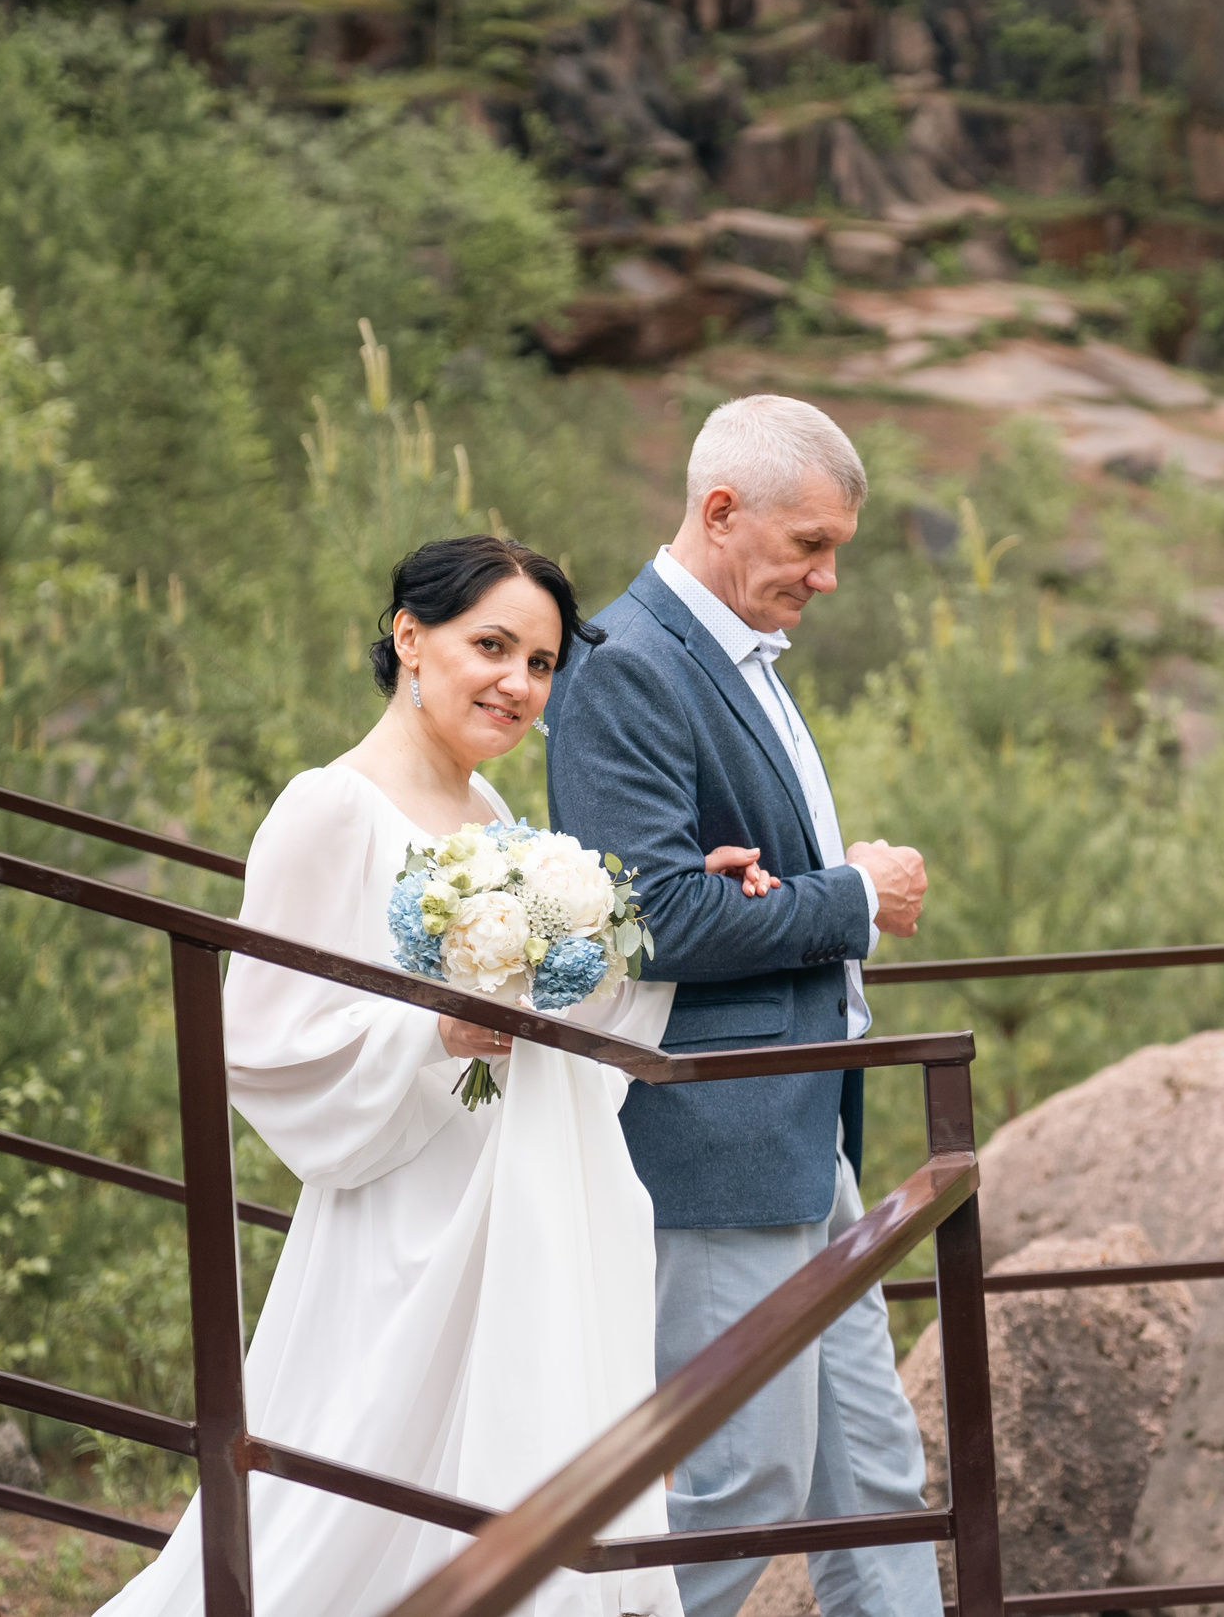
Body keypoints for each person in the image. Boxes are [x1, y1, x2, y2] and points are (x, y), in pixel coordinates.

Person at [96, 535, 778, 1617]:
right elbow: (264, 1040)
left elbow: (554, 1017)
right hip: (406, 1223)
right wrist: (431, 1039)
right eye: (492, 646)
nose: (518, 684)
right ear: (411, 637)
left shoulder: (498, 821)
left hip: (523, 1203)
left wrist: (639, 918)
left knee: (517, 1468)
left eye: (542, 664)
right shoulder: (328, 808)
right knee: (363, 1490)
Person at [546, 396, 938, 1617]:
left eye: (836, 551)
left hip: (803, 1123)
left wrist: (828, 896)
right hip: (712, 1135)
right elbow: (660, 917)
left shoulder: (731, 655)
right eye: (809, 546)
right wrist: (855, 897)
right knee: (740, 1481)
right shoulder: (626, 668)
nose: (825, 578)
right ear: (720, 513)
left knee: (872, 1470)